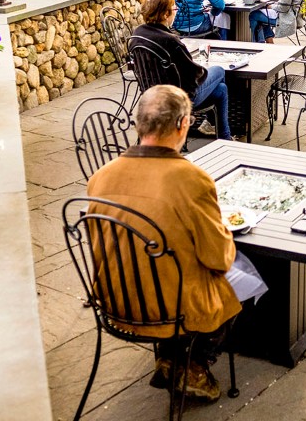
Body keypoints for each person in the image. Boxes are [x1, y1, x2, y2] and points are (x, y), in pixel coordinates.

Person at [86, 85, 264, 401]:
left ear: (139, 123)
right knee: (247, 278)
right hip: (169, 309)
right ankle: (194, 364)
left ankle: (169, 357)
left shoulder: (100, 176)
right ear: (183, 125)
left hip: (116, 300)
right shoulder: (191, 179)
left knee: (167, 265)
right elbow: (218, 258)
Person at [129, 0, 232, 140]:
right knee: (219, 71)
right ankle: (220, 133)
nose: (176, 13)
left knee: (221, 89)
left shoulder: (137, 34)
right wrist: (201, 66)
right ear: (165, 15)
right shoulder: (171, 41)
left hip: (151, 94)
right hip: (177, 99)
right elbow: (194, 76)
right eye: (174, 9)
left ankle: (223, 134)